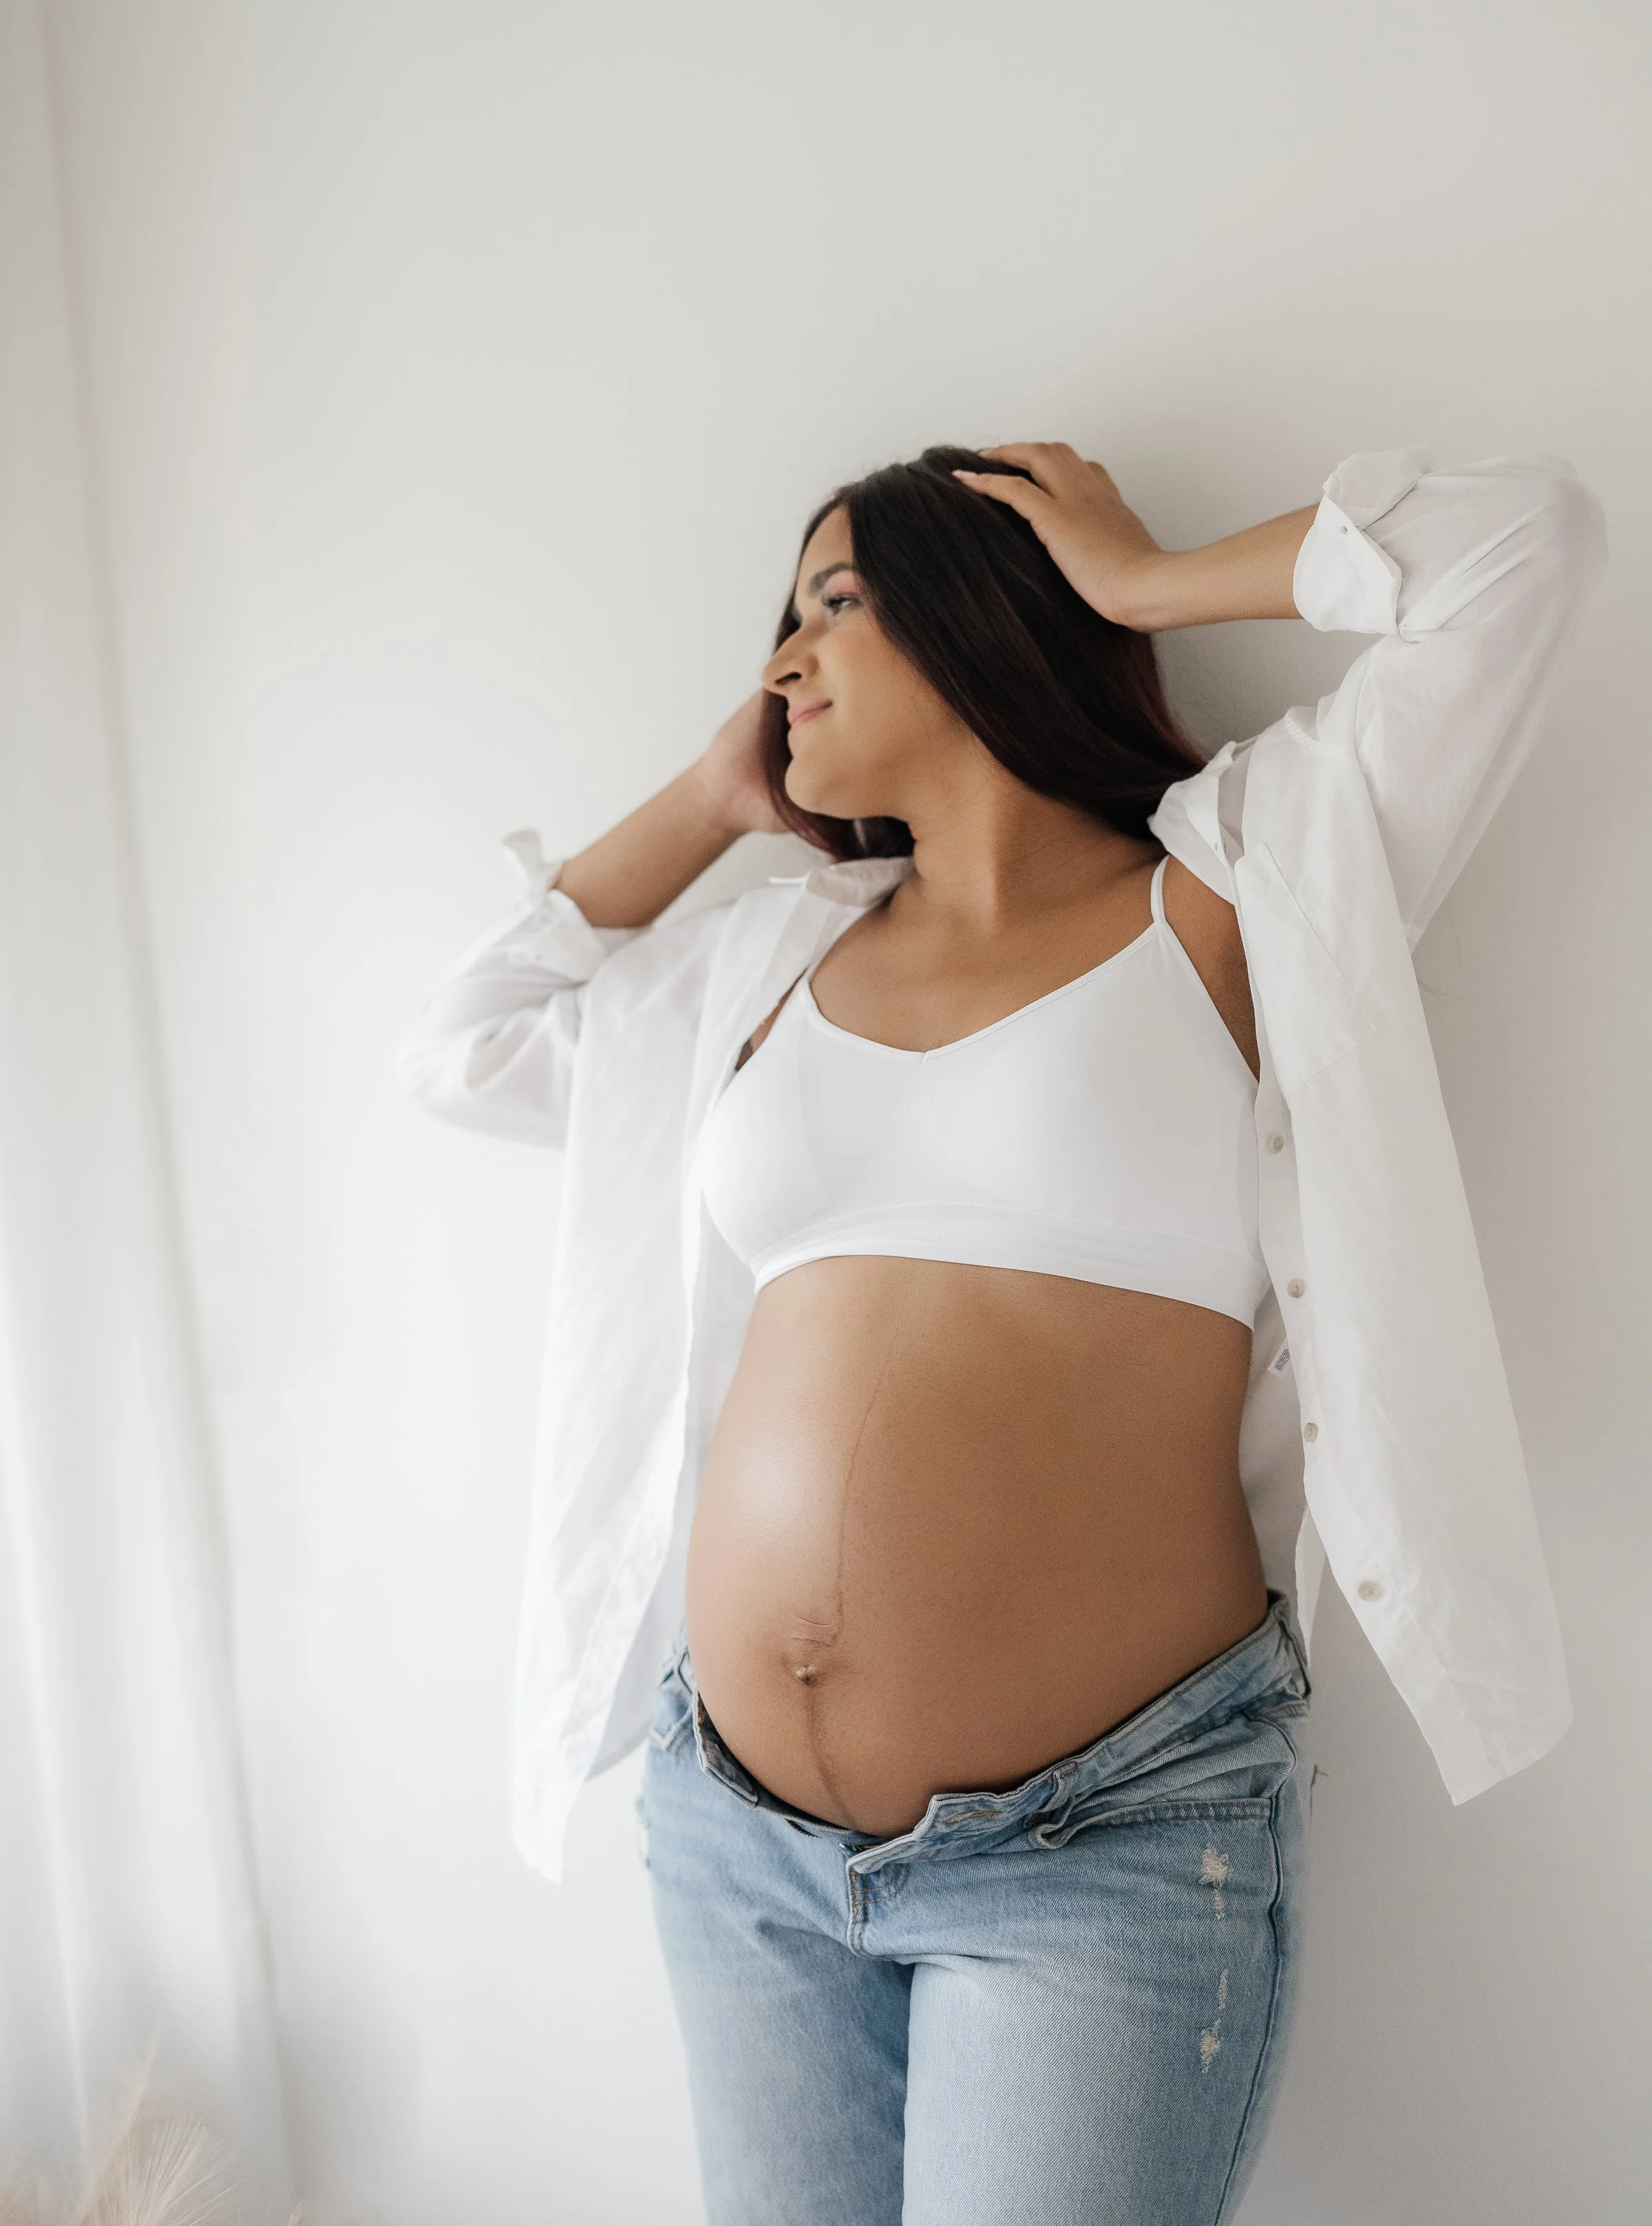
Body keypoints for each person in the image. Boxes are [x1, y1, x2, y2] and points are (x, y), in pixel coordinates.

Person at [399, 439, 1606, 2223]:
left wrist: (1140, 578)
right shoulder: (753, 977)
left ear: (985, 615)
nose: (783, 660)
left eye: (833, 602)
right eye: (778, 625)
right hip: (739, 1847)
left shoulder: (1239, 892)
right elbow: (470, 1045)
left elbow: (1529, 542)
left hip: (1100, 1848)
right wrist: (713, 796)